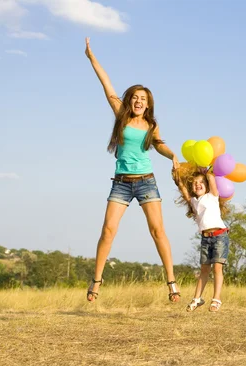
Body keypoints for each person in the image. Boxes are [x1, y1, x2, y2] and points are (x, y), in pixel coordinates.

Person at [84, 37, 181, 303]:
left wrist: (173, 155)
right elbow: (107, 85)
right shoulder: (121, 115)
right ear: (130, 100)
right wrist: (92, 58)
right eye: (135, 98)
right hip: (121, 183)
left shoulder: (151, 125)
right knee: (108, 231)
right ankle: (96, 281)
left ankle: (171, 282)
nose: (139, 102)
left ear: (148, 104)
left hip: (147, 181)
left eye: (143, 99)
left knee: (158, 231)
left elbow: (159, 146)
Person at [173, 165, 229, 312]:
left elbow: (211, 179)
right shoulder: (194, 201)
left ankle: (216, 300)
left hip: (219, 236)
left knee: (217, 268)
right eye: (195, 183)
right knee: (204, 270)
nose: (198, 184)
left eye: (201, 182)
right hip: (205, 239)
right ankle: (197, 299)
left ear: (207, 186)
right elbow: (184, 191)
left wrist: (207, 171)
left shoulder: (212, 196)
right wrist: (179, 182)